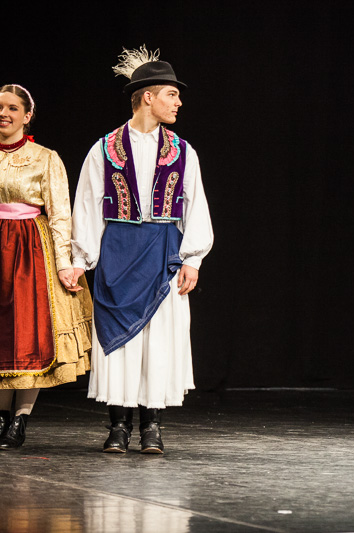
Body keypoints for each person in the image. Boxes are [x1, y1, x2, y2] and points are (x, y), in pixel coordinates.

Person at [71, 46, 213, 454]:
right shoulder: (105, 149)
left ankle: (152, 425)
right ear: (148, 97)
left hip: (163, 251)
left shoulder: (183, 151)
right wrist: (80, 260)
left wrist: (192, 258)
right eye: (172, 94)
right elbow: (87, 206)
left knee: (160, 339)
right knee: (119, 338)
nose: (178, 102)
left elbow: (195, 205)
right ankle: (118, 425)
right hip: (118, 252)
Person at [0, 84, 93, 449]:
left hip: (29, 250)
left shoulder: (45, 158)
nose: (3, 113)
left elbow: (60, 215)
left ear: (27, 115)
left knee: (29, 333)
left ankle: (20, 417)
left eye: (12, 108)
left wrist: (64, 264)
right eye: (0, 107)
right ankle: (1, 415)